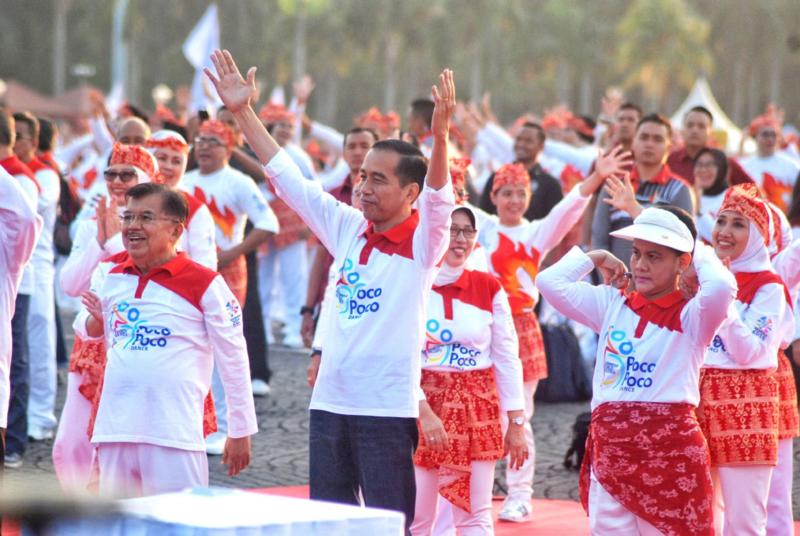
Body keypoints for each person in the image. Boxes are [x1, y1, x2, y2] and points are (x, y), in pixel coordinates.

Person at [205, 48, 455, 531]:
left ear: (410, 194)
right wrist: (242, 112)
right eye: (362, 176)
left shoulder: (424, 243)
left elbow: (441, 200)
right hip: (329, 403)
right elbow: (289, 180)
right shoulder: (347, 226)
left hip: (385, 408)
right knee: (329, 523)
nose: (362, 187)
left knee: (388, 524)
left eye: (377, 180)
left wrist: (440, 137)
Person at [537, 205, 736, 535]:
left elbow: (722, 288)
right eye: (636, 253)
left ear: (681, 262)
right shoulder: (612, 303)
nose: (640, 265)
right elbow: (549, 282)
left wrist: (695, 248)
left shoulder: (694, 316)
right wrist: (596, 256)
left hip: (672, 455)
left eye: (655, 256)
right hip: (611, 453)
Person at [476, 147, 632, 522]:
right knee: (479, 414)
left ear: (529, 197)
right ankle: (476, 490)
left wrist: (596, 176)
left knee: (519, 415)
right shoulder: (480, 227)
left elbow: (570, 208)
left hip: (521, 326)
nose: (514, 200)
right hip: (480, 326)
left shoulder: (535, 233)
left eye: (520, 192)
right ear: (493, 197)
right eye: (506, 192)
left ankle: (519, 493)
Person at [78, 183, 257, 497]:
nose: (133, 227)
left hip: (173, 433)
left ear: (176, 231)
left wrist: (240, 429)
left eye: (146, 218)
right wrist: (98, 320)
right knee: (119, 526)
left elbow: (234, 356)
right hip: (116, 426)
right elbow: (93, 332)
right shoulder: (113, 276)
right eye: (128, 217)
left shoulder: (205, 283)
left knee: (177, 524)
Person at [410, 205, 526, 535]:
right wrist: (422, 411)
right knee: (418, 517)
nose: (460, 239)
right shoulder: (414, 282)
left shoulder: (489, 287)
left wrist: (516, 422)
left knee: (475, 515)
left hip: (477, 408)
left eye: (468, 231)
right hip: (421, 405)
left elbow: (507, 358)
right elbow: (400, 354)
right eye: (452, 229)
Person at [696, 184, 794, 535]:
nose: (724, 231)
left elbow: (751, 352)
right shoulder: (703, 275)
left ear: (757, 235)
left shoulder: (769, 286)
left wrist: (724, 298)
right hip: (698, 396)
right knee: (702, 510)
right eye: (721, 221)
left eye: (739, 224)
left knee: (745, 518)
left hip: (747, 402)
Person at [13, 112, 62, 441]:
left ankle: (42, 415)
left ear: (34, 140)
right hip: (13, 267)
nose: (16, 142)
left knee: (39, 341)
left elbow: (30, 209)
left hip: (38, 266)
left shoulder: (44, 175)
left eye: (22, 136)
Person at [592, 113, 694, 263]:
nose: (649, 144)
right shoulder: (614, 185)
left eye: (658, 139)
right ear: (633, 142)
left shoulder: (679, 190)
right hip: (613, 282)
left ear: (669, 147)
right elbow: (599, 241)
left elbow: (684, 242)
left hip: (659, 284)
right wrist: (610, 280)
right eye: (644, 137)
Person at [0, 110, 39, 468]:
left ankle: (15, 438)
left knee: (21, 363)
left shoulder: (21, 178)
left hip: (21, 282)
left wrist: (16, 265)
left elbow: (27, 221)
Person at [479, 122, 564, 222]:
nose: (521, 144)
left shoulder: (550, 184)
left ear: (541, 147)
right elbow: (483, 216)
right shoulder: (497, 177)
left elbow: (556, 223)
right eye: (518, 139)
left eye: (528, 141)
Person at [667, 106, 752, 185]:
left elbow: (756, 192)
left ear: (711, 132)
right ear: (682, 130)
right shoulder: (670, 161)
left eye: (701, 126)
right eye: (690, 125)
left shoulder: (725, 163)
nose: (695, 130)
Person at [741, 114, 800, 213]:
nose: (770, 139)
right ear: (755, 137)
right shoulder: (745, 166)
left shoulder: (791, 165)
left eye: (773, 135)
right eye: (765, 134)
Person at [693, 147, 730, 243]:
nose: (703, 170)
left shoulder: (732, 199)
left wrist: (698, 211)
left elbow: (722, 238)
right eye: (699, 165)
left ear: (721, 169)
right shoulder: (688, 194)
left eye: (709, 165)